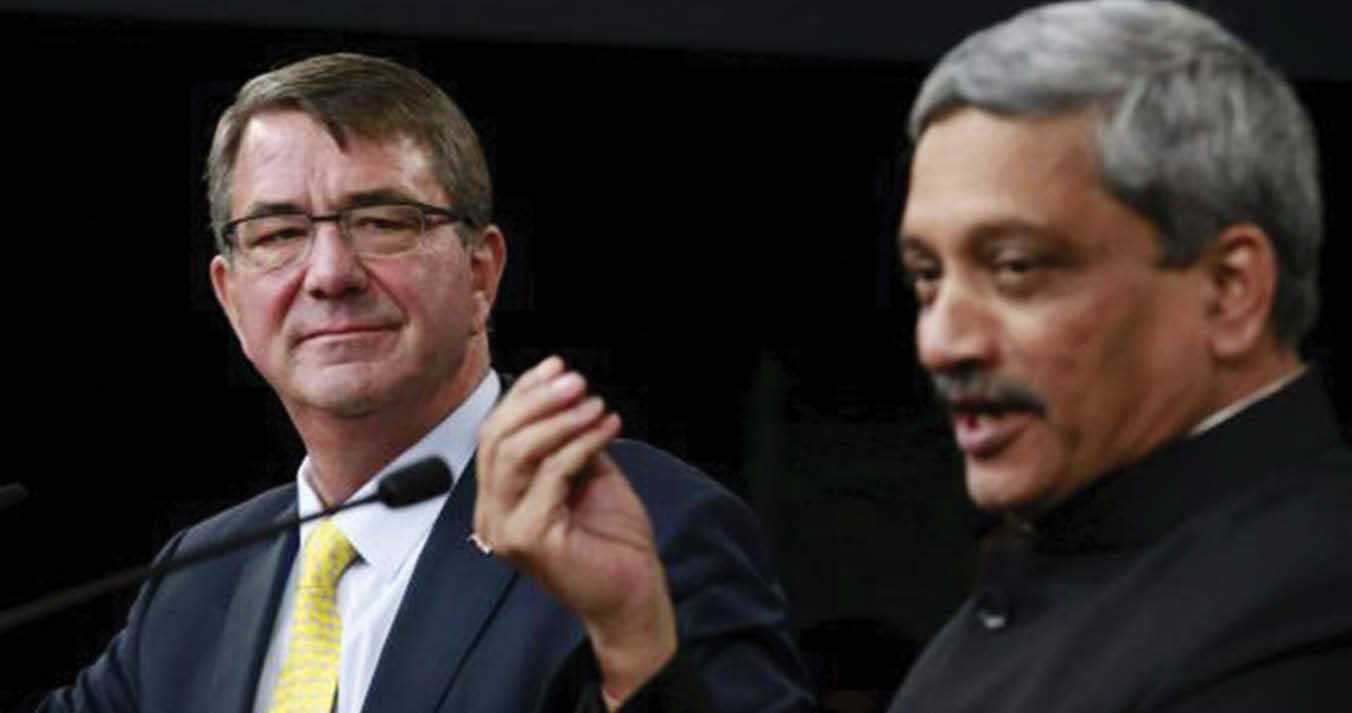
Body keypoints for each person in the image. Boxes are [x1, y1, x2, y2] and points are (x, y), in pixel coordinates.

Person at [532, 1, 1352, 711]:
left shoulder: (1318, 636)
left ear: (1230, 289)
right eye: (927, 277)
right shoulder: (1103, 547)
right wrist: (636, 634)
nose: (942, 340)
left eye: (1016, 267)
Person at [35, 53, 811, 713]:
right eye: (278, 234)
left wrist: (632, 632)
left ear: (481, 272)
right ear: (232, 297)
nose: (331, 274)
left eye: (382, 221)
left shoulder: (653, 530)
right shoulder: (196, 579)